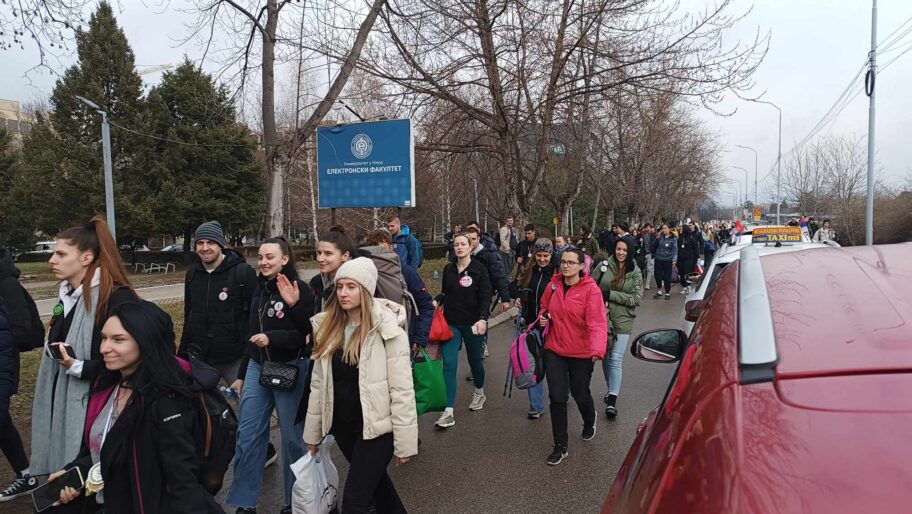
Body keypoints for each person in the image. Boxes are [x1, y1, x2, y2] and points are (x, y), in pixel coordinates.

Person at [46, 300, 223, 513]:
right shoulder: (108, 386)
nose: (104, 348)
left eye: (118, 340)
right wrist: (76, 471)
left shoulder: (167, 402)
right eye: (103, 338)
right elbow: (105, 447)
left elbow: (182, 481)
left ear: (146, 342)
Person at [304, 259, 418, 513]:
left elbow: (402, 390)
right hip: (344, 428)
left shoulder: (388, 330)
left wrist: (405, 443)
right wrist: (312, 434)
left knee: (354, 503)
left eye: (351, 287)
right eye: (340, 286)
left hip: (377, 430)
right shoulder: (327, 327)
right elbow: (319, 384)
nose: (343, 293)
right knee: (380, 490)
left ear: (366, 289)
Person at [30, 217, 137, 477]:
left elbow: (134, 359)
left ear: (87, 258)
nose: (52, 260)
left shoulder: (115, 297)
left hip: (99, 406)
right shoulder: (67, 296)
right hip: (62, 401)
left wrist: (78, 366)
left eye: (60, 253)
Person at [227, 238, 314, 514]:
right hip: (257, 367)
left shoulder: (301, 289)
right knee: (248, 434)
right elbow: (251, 336)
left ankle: (294, 501)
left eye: (269, 257)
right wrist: (241, 374)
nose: (263, 262)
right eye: (261, 257)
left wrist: (273, 336)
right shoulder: (259, 289)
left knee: (292, 439)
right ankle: (244, 502)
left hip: (290, 367)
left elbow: (306, 335)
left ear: (285, 259)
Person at [538, 248, 607, 465]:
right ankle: (560, 446)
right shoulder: (553, 285)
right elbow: (543, 308)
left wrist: (597, 350)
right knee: (557, 397)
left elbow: (597, 322)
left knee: (580, 392)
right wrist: (543, 318)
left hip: (581, 352)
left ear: (580, 266)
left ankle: (589, 418)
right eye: (563, 262)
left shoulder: (591, 290)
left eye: (570, 262)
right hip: (554, 349)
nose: (565, 266)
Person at [433, 233, 492, 429]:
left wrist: (483, 319)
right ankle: (448, 411)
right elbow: (445, 292)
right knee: (449, 363)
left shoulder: (479, 270)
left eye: (463, 244)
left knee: (475, 362)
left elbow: (485, 297)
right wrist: (436, 301)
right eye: (456, 244)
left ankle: (479, 392)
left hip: (473, 324)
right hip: (451, 324)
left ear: (470, 247)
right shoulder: (448, 269)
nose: (459, 247)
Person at [0, 250, 40, 500]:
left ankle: (26, 474)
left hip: (3, 361)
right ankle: (26, 473)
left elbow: (22, 330)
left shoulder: (7, 284)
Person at [591, 237, 643, 418]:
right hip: (603, 318)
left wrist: (611, 295)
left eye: (625, 250)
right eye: (618, 249)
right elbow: (589, 285)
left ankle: (612, 400)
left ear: (629, 252)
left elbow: (636, 298)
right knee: (605, 355)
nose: (621, 253)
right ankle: (610, 388)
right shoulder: (604, 266)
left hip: (623, 320)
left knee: (616, 358)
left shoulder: (635, 272)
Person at [361, 228, 435, 349]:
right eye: (373, 248)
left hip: (403, 337)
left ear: (391, 247)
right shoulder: (363, 273)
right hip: (371, 340)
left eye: (381, 247)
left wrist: (420, 337)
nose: (377, 252)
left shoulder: (407, 273)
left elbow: (425, 305)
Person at [513, 238, 556, 419]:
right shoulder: (529, 271)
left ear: (551, 255)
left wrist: (550, 316)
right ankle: (536, 405)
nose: (542, 259)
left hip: (553, 327)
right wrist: (518, 298)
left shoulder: (557, 273)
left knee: (555, 365)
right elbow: (518, 287)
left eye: (546, 255)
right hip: (531, 324)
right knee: (534, 364)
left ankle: (563, 392)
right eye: (539, 255)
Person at [650, 224, 677, 300]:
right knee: (657, 275)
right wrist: (657, 239)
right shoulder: (660, 237)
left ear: (669, 229)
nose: (664, 230)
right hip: (658, 259)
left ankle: (667, 292)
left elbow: (675, 250)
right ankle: (659, 291)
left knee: (667, 277)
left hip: (668, 260)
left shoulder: (673, 239)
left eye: (665, 228)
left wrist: (674, 260)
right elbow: (652, 248)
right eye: (663, 228)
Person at [677, 224, 700, 295]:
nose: (680, 230)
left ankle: (689, 287)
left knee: (688, 273)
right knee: (681, 273)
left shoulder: (691, 237)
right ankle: (684, 287)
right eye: (680, 229)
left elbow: (696, 247)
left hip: (689, 258)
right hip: (680, 258)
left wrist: (697, 257)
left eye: (682, 229)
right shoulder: (680, 237)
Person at [642, 224, 656, 291]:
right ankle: (645, 281)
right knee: (644, 269)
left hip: (650, 254)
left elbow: (655, 245)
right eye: (646, 227)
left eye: (649, 227)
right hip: (643, 254)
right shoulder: (642, 235)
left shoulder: (653, 235)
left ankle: (647, 284)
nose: (648, 228)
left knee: (649, 269)